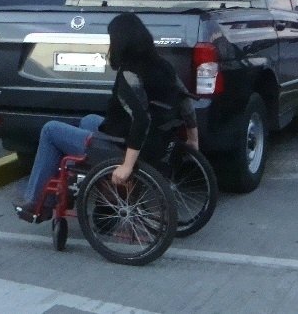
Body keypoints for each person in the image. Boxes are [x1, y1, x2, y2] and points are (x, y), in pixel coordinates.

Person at [14, 12, 199, 222]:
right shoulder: (163, 66)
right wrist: (193, 139)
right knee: (88, 120)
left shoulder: (130, 75)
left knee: (50, 130)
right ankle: (53, 183)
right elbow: (185, 100)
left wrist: (127, 166)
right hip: (157, 140)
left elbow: (141, 119)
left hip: (121, 146)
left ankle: (36, 201)